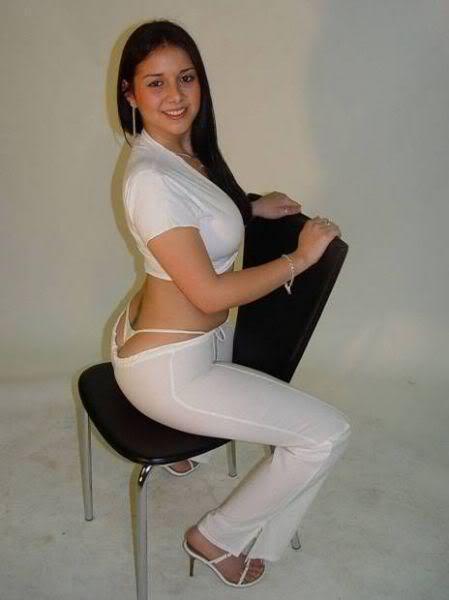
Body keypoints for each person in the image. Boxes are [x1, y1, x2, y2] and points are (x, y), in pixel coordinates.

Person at [111, 19, 351, 588]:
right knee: (326, 435)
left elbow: (194, 214)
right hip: (170, 371)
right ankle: (216, 537)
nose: (175, 96)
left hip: (179, 341)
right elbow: (209, 292)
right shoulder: (150, 178)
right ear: (130, 94)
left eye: (186, 78)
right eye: (155, 83)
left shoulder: (181, 150)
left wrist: (247, 207)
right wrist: (300, 258)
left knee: (286, 415)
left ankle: (183, 455)